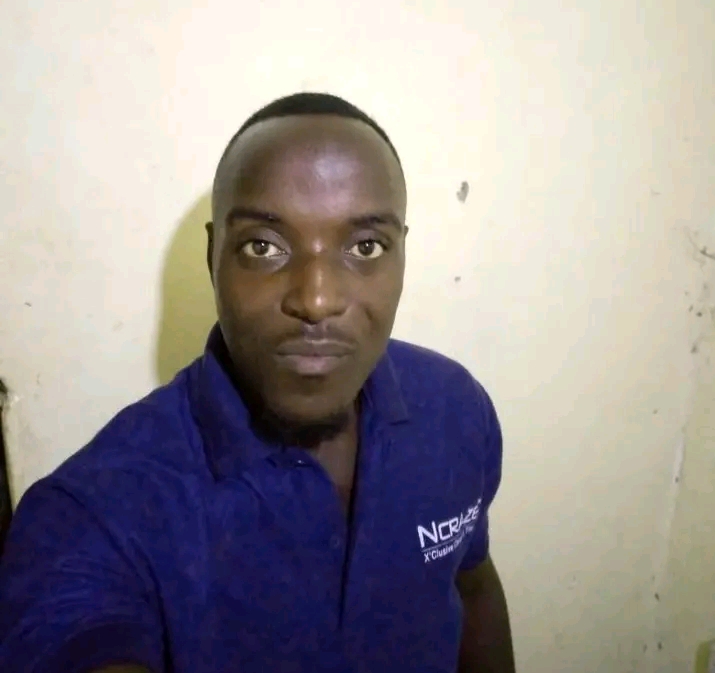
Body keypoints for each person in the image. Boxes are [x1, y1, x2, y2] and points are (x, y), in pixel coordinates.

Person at [0, 92, 515, 673]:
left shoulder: (454, 408)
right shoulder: (92, 515)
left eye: (365, 247)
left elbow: (471, 586)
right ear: (213, 256)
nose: (316, 300)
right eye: (263, 247)